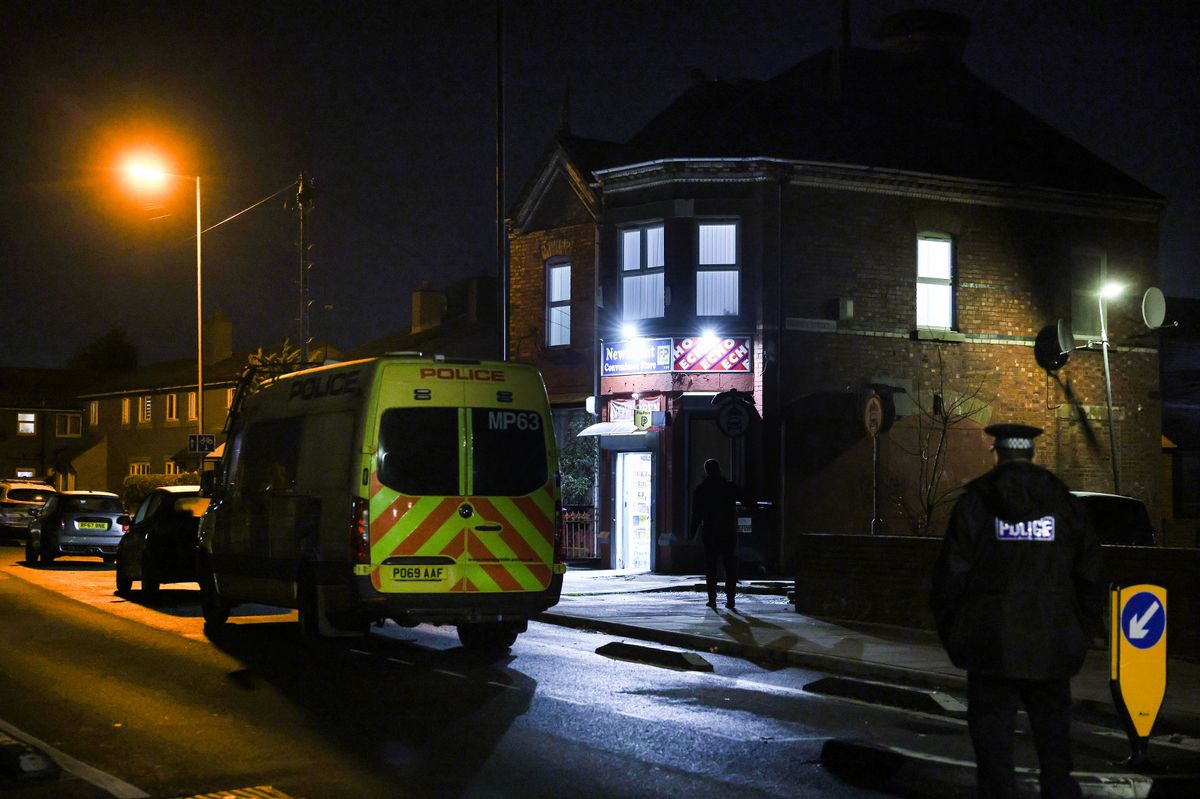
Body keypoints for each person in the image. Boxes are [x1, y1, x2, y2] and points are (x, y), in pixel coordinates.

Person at [931, 423, 1102, 799]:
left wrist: (958, 637)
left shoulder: (975, 504)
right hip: (1052, 644)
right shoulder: (1065, 504)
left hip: (991, 646)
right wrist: (1079, 633)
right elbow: (1091, 576)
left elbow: (949, 580)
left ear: (998, 454)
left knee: (994, 759)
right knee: (1055, 750)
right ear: (1032, 454)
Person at [689, 459, 745, 610]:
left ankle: (712, 599)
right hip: (728, 530)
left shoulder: (702, 489)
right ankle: (730, 599)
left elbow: (696, 514)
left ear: (706, 471)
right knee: (729, 565)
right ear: (719, 469)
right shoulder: (728, 487)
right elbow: (745, 499)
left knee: (711, 566)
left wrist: (692, 533)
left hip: (710, 531)